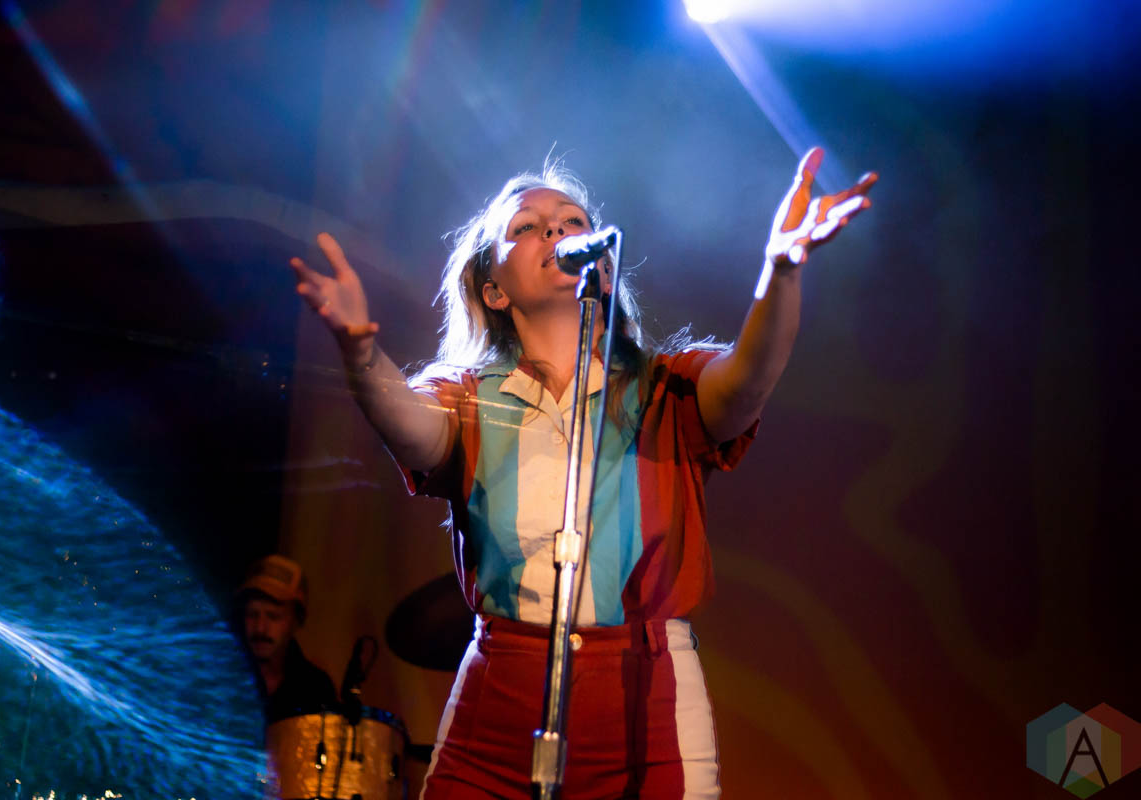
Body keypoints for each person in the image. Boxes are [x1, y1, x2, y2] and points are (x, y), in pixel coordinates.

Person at [289, 148, 875, 798]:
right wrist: (361, 354)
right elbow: (412, 429)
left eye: (572, 221)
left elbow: (747, 381)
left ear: (602, 263)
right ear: (494, 290)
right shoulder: (470, 397)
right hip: (496, 707)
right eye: (526, 227)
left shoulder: (663, 388)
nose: (554, 229)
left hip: (648, 704)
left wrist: (781, 273)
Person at [237, 554, 338, 724]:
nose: (260, 628)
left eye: (273, 616)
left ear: (296, 621)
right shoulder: (222, 675)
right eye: (252, 614)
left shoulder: (316, 688)